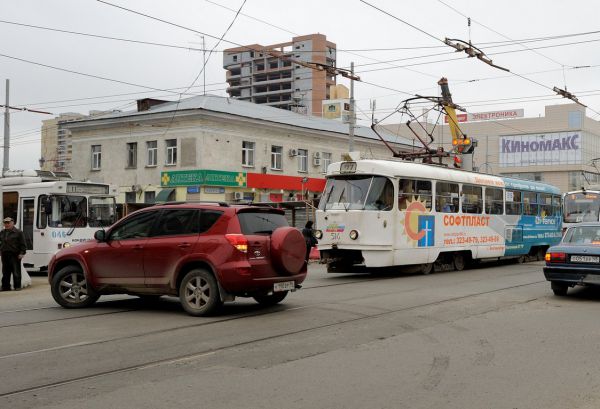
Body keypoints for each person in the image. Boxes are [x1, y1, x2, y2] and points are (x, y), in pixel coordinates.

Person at [0, 217, 27, 291]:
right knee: (5, 272)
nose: (7, 224)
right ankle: (5, 287)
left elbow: (23, 244)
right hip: (4, 254)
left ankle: (17, 286)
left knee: (16, 271)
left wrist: (22, 253)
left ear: (13, 223)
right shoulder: (2, 232)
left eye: (8, 223)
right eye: (5, 223)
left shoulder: (18, 232)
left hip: (15, 254)